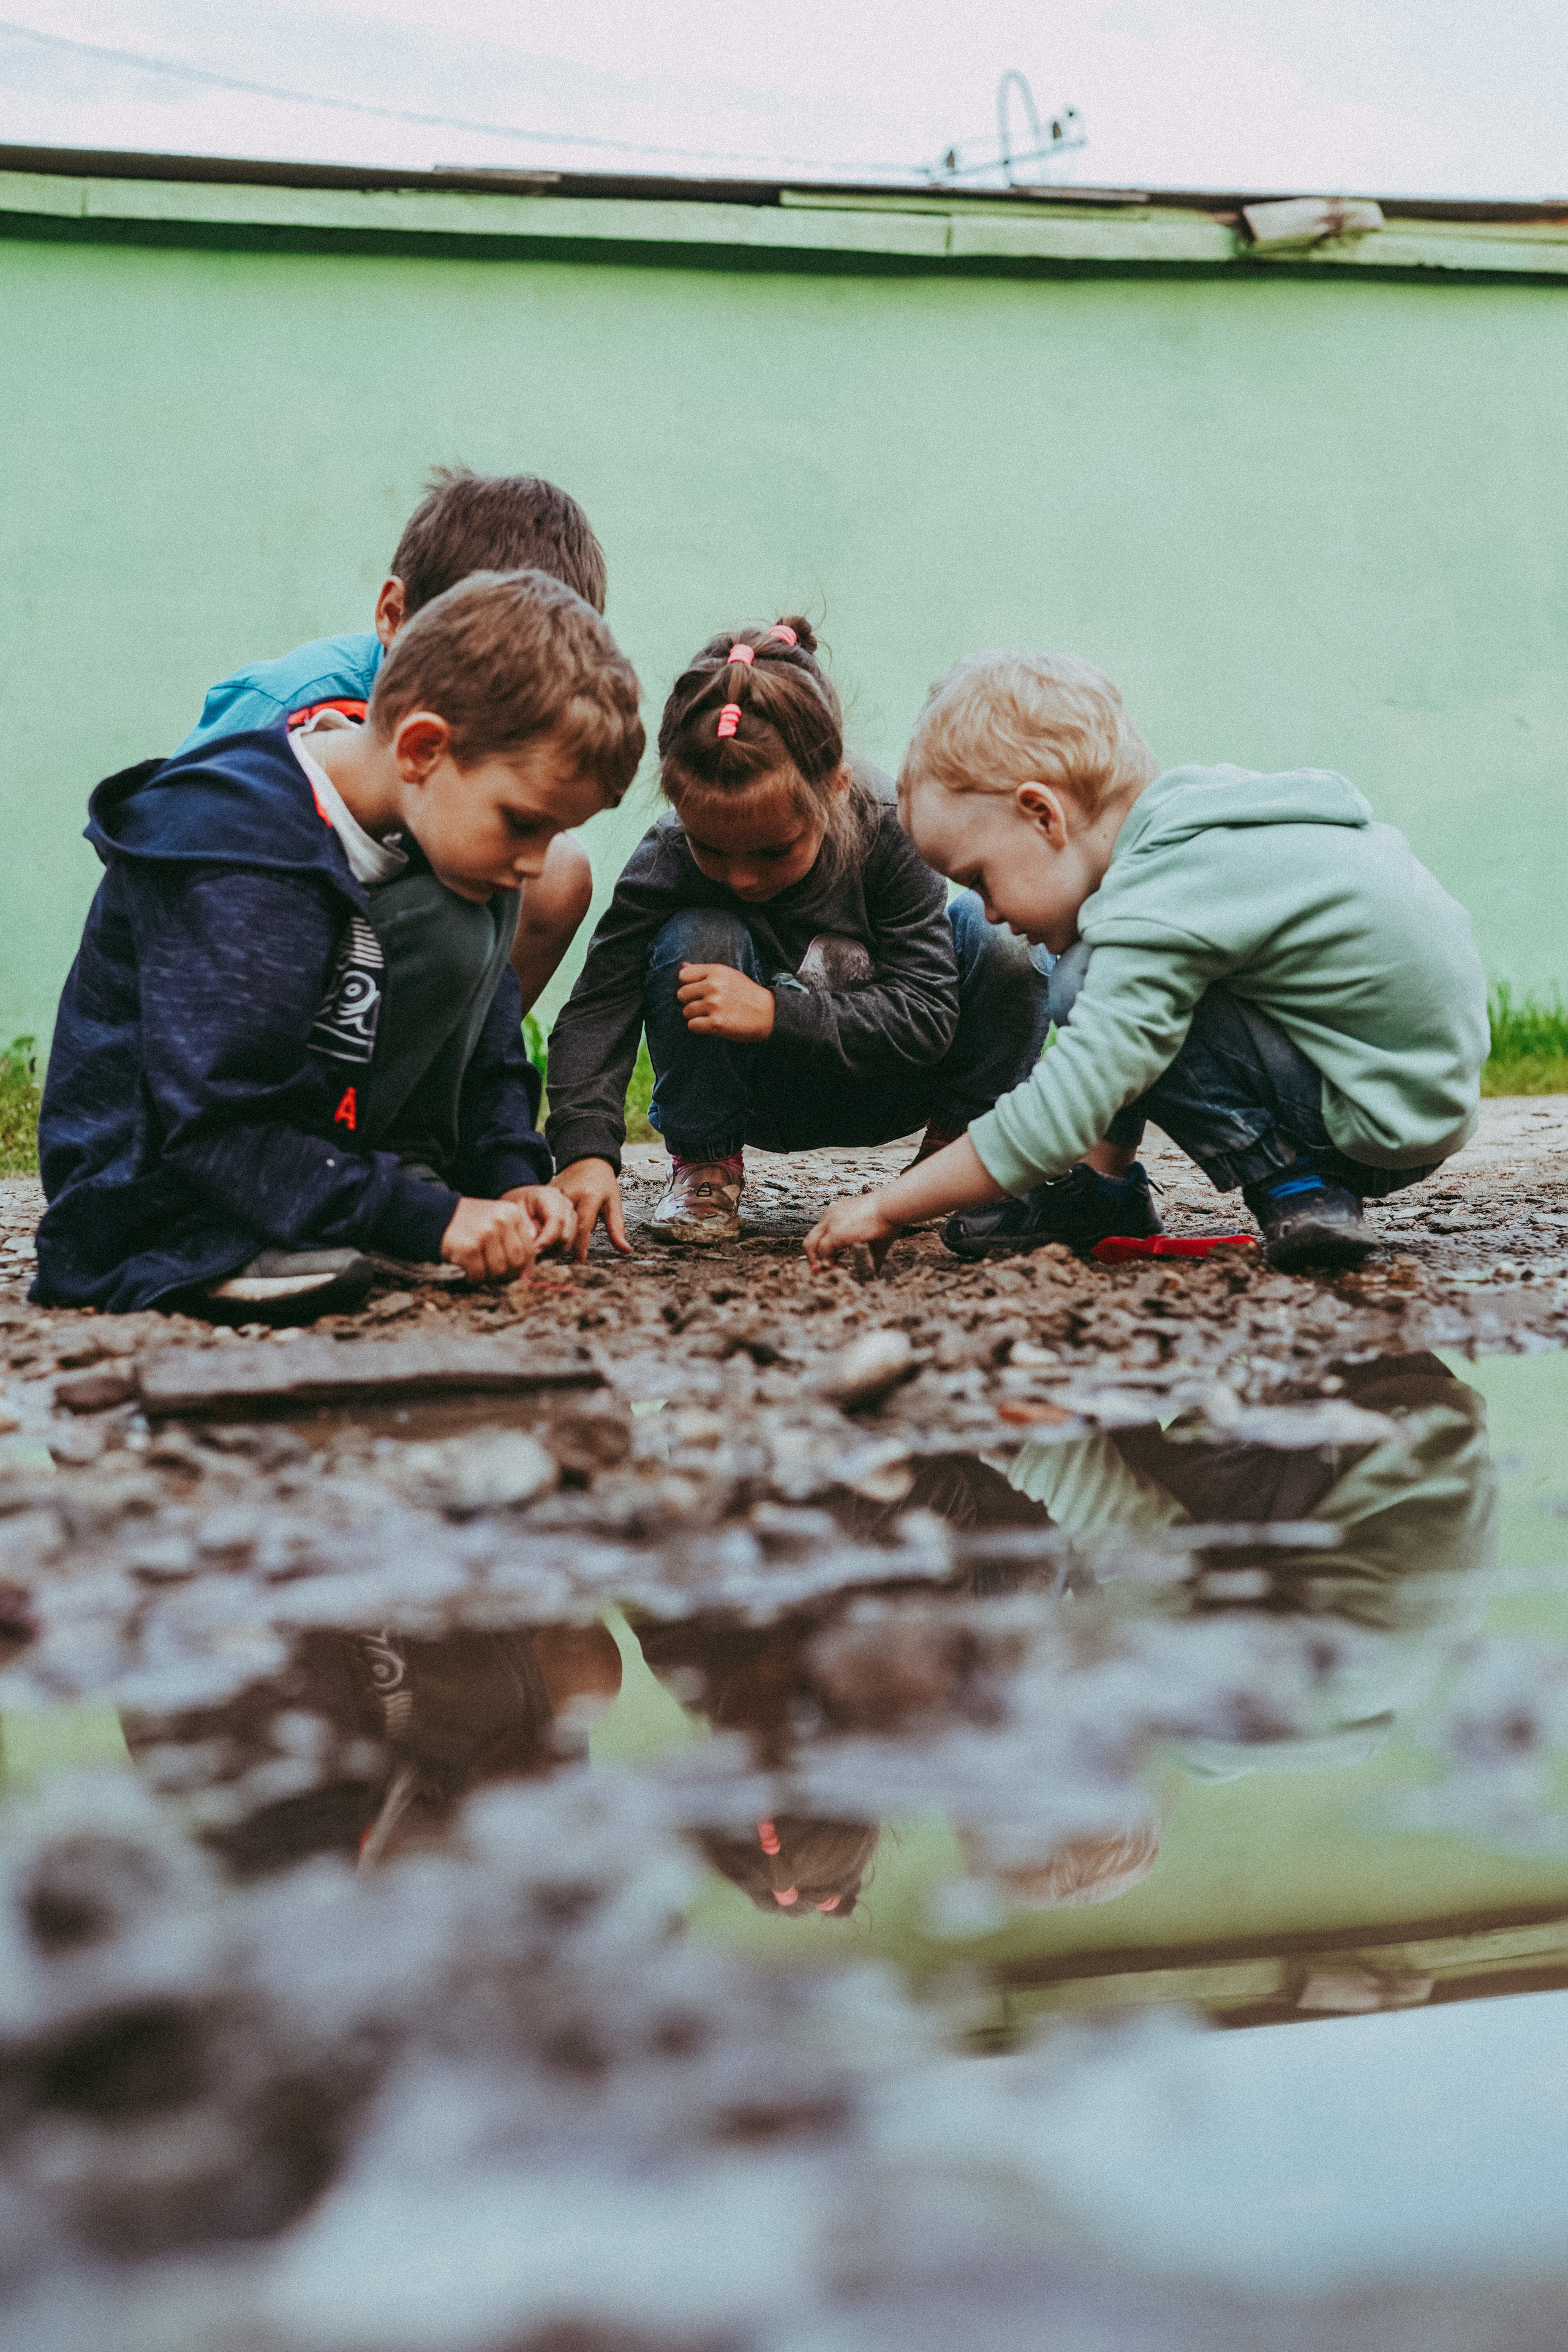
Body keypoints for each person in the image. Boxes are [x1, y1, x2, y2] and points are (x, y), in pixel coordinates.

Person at [33, 571, 644, 1322]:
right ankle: (238, 1239)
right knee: (471, 908)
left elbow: (491, 1037)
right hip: (153, 1191)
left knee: (477, 910)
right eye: (523, 823)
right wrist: (426, 1219)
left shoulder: (433, 826)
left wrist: (508, 1173)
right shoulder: (248, 850)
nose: (536, 857)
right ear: (422, 748)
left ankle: (378, 1194)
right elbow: (216, 1120)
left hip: (295, 1146)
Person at [805, 650, 1488, 1273]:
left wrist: (889, 1206)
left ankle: (1295, 1185)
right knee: (1115, 987)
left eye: (979, 877)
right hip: (1411, 1096)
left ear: (1043, 815)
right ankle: (1102, 1191)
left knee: (1090, 983)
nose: (985, 913)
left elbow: (1064, 1107)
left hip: (1367, 1125)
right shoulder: (1203, 822)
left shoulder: (1156, 898)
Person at [544, 617, 1050, 1254]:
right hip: (759, 1099)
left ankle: (955, 1160)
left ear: (833, 785)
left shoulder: (889, 828)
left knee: (1006, 937)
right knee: (698, 931)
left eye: (774, 851)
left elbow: (927, 1013)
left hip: (896, 1084)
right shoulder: (669, 855)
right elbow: (599, 1006)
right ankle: (705, 1166)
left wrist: (775, 1012)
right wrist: (585, 1150)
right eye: (711, 849)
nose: (741, 876)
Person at [177, 467, 607, 1017]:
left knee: (559, 874)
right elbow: (174, 855)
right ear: (394, 616)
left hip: (402, 927)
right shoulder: (289, 703)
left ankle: (454, 1062)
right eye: (485, 671)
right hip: (260, 942)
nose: (502, 709)